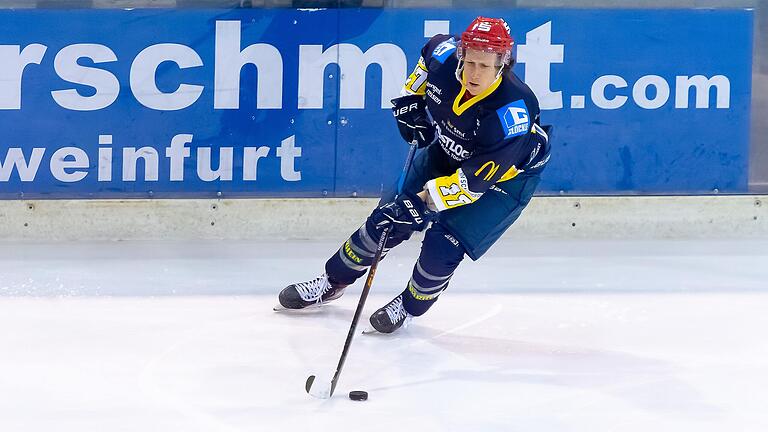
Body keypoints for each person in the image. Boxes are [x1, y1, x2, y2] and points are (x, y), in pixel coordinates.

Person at [277, 16, 551, 334]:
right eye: (470, 62)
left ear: (502, 65)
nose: (474, 73)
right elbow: (426, 59)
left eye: (484, 66)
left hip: (501, 183)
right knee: (385, 221)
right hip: (448, 150)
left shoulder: (511, 113)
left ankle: (408, 306)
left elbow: (471, 184)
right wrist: (410, 103)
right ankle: (331, 281)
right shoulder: (444, 54)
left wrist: (420, 203)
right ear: (461, 54)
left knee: (442, 245)